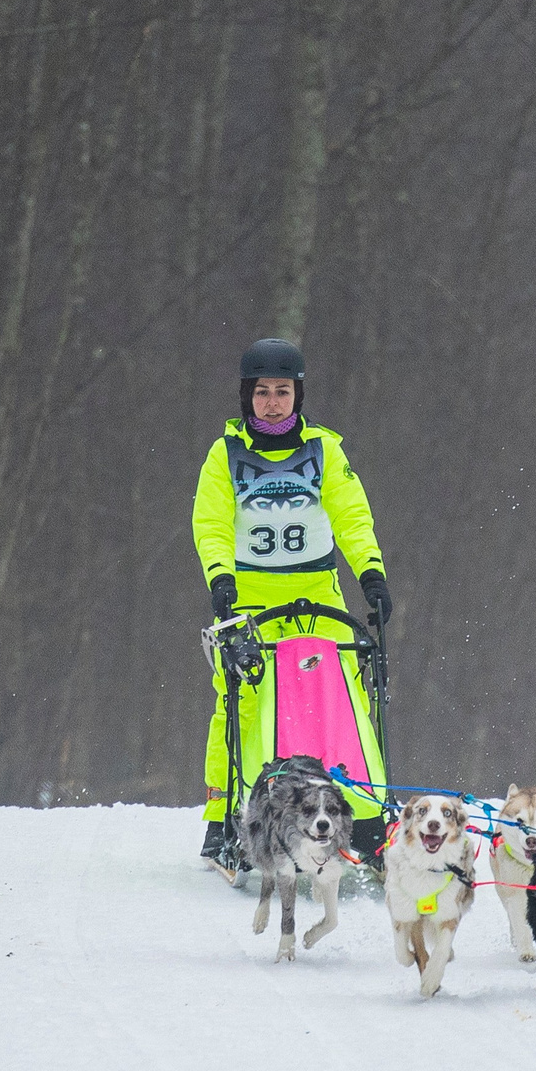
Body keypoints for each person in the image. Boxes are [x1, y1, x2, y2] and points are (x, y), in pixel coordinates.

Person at [193, 338, 394, 862]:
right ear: (247, 397)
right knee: (238, 702)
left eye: (283, 391)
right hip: (250, 600)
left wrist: (371, 574)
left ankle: (366, 815)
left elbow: (352, 516)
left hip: (315, 595)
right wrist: (220, 579)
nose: (273, 402)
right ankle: (225, 818)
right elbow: (211, 523)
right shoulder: (225, 454)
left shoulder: (325, 449)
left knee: (343, 699)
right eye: (263, 392)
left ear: (297, 395)